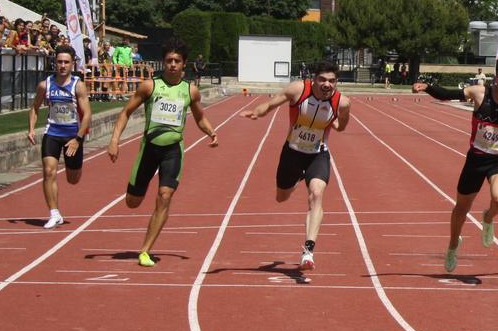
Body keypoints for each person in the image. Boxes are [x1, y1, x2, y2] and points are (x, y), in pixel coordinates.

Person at [413, 57, 498, 273]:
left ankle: (488, 217)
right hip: (476, 160)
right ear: (495, 79)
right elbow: (448, 95)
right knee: (461, 208)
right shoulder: (480, 93)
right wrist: (427, 87)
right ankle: (453, 246)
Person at [108, 39, 219, 267]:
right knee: (132, 202)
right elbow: (125, 112)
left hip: (173, 150)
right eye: (169, 60)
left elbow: (199, 116)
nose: (172, 64)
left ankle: (145, 251)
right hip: (149, 149)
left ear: (184, 65)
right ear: (163, 62)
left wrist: (211, 132)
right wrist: (114, 140)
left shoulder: (190, 90)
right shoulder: (149, 86)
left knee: (165, 196)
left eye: (177, 61)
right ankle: (138, 193)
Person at [243, 60, 351, 271]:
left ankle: (308, 251)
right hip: (292, 153)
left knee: (317, 194)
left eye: (332, 81)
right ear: (314, 79)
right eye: (322, 80)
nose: (327, 84)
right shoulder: (298, 90)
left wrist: (337, 125)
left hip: (318, 154)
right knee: (281, 197)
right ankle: (295, 181)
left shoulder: (342, 102)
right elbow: (272, 103)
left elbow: (343, 124)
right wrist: (258, 111)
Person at [26, 46, 91, 229]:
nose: (62, 65)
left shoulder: (78, 85)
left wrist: (78, 139)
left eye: (66, 62)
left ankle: (76, 166)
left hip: (73, 136)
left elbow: (87, 114)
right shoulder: (45, 85)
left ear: (72, 64)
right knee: (48, 171)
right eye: (59, 62)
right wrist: (31, 129)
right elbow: (34, 107)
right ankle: (54, 213)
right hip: (52, 133)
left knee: (73, 179)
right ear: (55, 62)